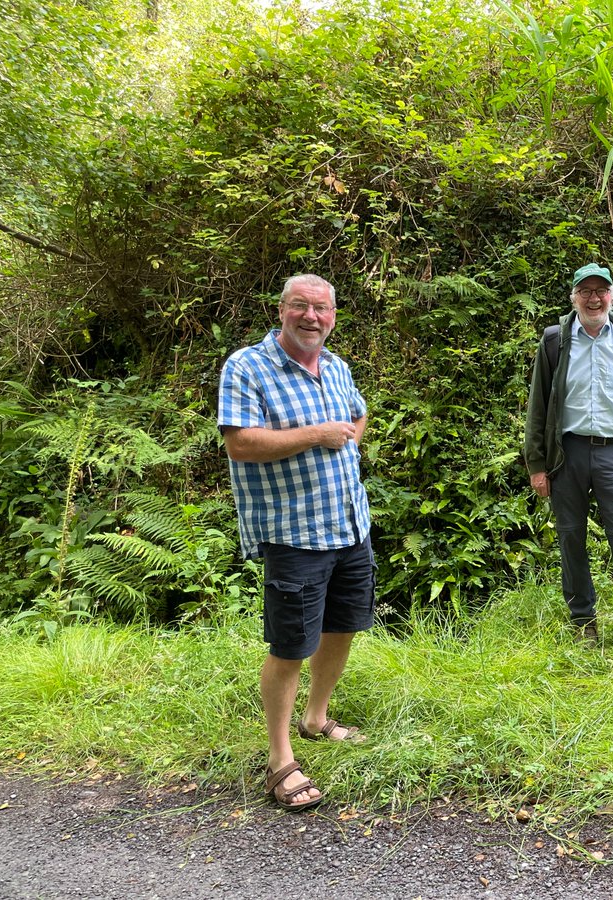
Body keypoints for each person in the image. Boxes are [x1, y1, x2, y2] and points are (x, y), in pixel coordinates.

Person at [218, 273, 373, 812]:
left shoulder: (336, 367)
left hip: (351, 524)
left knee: (342, 626)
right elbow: (240, 442)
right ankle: (280, 760)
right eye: (301, 307)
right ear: (282, 309)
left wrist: (350, 434)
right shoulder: (246, 366)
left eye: (322, 309)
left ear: (333, 315)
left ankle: (316, 718)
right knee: (289, 646)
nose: (312, 317)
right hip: (293, 533)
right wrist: (318, 434)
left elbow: (357, 414)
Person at [523, 263, 613, 646]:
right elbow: (538, 405)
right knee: (571, 537)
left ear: (612, 295)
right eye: (585, 291)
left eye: (601, 290)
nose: (593, 298)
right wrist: (537, 465)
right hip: (566, 454)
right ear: (573, 298)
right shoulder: (555, 340)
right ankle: (583, 620)